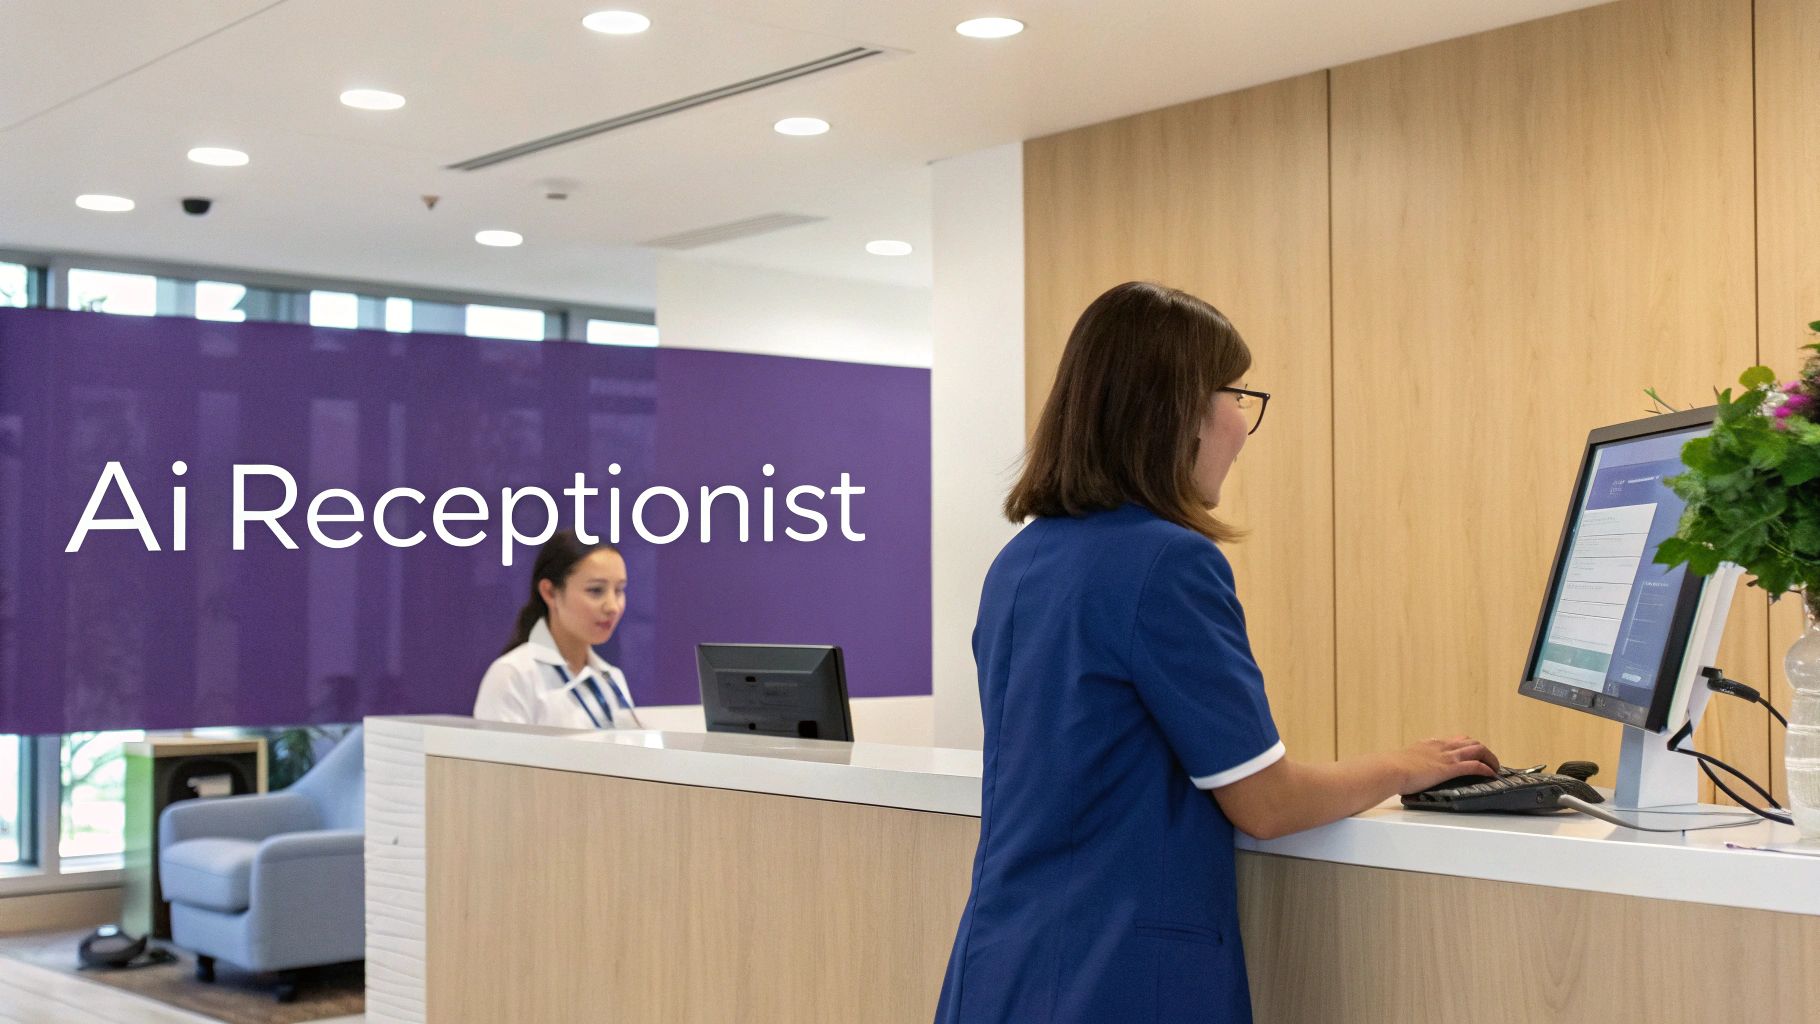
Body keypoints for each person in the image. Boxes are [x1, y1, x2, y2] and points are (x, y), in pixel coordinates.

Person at [933, 282, 1498, 1024]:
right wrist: (1409, 765)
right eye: (1236, 395)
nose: (1242, 425)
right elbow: (1267, 802)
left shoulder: (1021, 560)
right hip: (1114, 981)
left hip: (1001, 966)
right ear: (1176, 412)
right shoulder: (1167, 562)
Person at [473, 530, 643, 729]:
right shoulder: (513, 675)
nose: (612, 606)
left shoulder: (612, 678)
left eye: (619, 590)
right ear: (550, 592)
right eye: (596, 590)